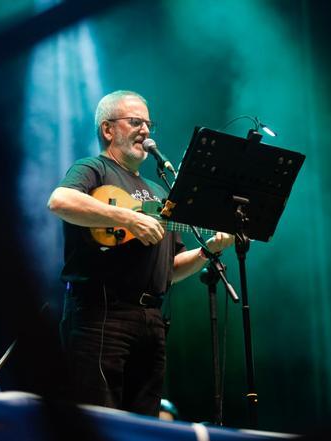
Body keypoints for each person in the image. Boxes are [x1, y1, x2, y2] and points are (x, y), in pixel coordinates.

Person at [47, 90, 233, 416]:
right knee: (99, 417)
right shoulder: (93, 168)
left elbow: (170, 269)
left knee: (145, 423)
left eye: (148, 124)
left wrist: (208, 251)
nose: (145, 131)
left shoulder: (160, 191)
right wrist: (128, 217)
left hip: (151, 320)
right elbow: (60, 201)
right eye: (135, 122)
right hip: (101, 312)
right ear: (108, 130)